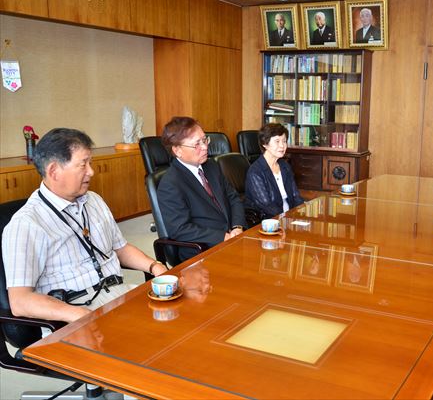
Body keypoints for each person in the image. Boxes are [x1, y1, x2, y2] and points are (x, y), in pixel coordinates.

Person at [1, 128, 167, 323]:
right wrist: (79, 315)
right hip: (73, 312)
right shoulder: (26, 224)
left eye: (91, 163)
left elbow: (120, 248)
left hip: (118, 295)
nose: (91, 171)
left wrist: (155, 266)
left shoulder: (93, 200)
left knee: (182, 318)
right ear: (54, 171)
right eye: (83, 164)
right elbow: (21, 301)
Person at [158, 117, 246, 261]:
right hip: (202, 252)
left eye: (205, 140)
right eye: (197, 144)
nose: (205, 147)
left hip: (233, 240)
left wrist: (237, 227)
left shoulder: (211, 166)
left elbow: (233, 198)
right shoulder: (170, 184)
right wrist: (223, 237)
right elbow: (180, 229)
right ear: (177, 150)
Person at [245, 123, 304, 219]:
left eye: (284, 141)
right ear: (265, 144)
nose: (282, 146)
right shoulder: (255, 172)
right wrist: (287, 219)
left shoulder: (285, 166)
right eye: (277, 141)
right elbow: (267, 206)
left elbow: (296, 196)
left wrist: (302, 214)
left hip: (289, 217)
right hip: (269, 221)